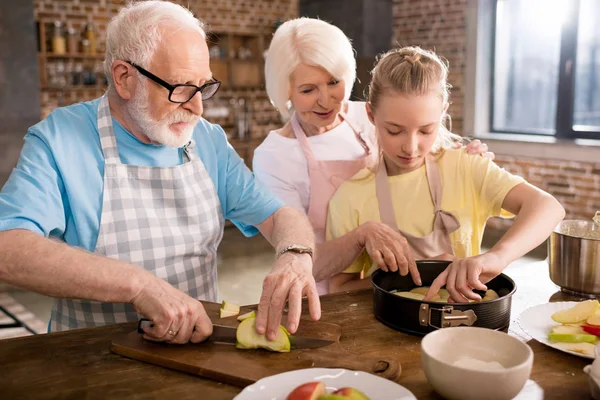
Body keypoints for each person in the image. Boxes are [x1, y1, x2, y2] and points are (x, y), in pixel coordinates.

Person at [0, 1, 320, 344]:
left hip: (199, 353)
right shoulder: (60, 138)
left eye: (204, 87)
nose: (197, 108)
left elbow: (279, 216)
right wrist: (139, 285)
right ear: (125, 78)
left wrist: (296, 254)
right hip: (89, 361)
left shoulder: (208, 141)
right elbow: (9, 248)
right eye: (180, 89)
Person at [253, 18, 494, 294]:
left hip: (380, 284)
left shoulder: (368, 116)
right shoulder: (273, 158)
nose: (326, 100)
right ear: (284, 89)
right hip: (321, 295)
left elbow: (425, 152)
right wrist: (361, 236)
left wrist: (465, 158)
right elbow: (295, 260)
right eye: (308, 90)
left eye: (334, 82)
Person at [326, 46, 565, 300]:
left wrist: (496, 257)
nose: (411, 146)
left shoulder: (466, 167)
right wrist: (414, 278)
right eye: (394, 130)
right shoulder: (351, 196)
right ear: (371, 115)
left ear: (443, 113)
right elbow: (340, 287)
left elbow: (549, 207)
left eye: (426, 130)